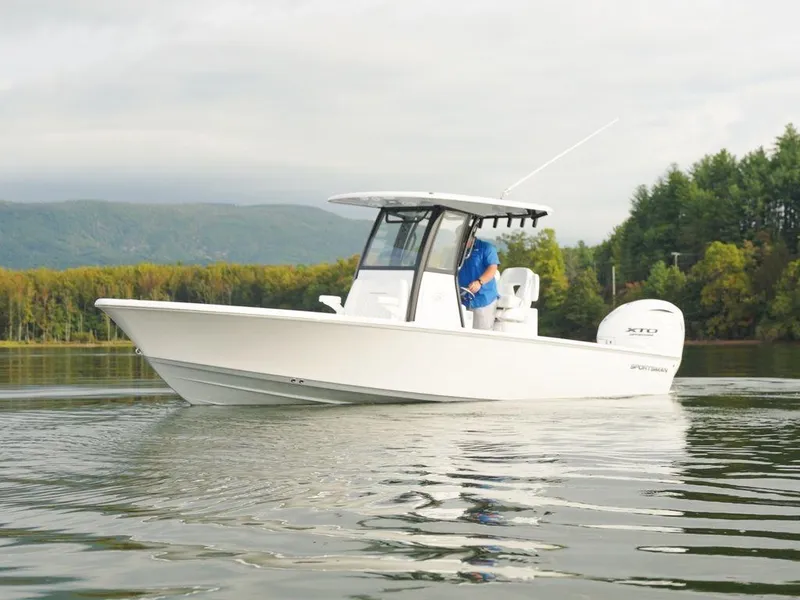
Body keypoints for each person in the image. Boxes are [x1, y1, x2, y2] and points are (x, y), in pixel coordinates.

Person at [457, 232, 500, 330]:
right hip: (462, 299)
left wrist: (479, 282)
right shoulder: (457, 251)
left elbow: (493, 268)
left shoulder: (486, 248)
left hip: (483, 299)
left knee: (481, 333)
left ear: (470, 236)